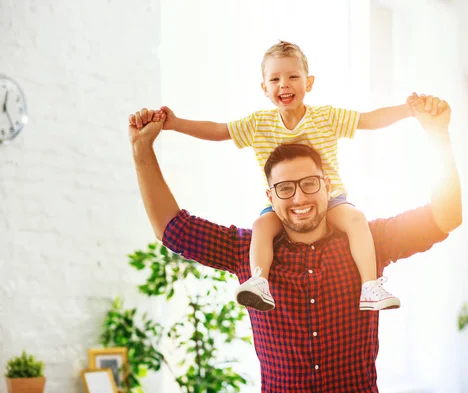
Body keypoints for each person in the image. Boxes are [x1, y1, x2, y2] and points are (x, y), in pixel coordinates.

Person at [128, 93, 462, 393]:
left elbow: (445, 217)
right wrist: (142, 150)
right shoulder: (246, 249)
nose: (299, 197)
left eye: (309, 184)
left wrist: (438, 136)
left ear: (327, 185)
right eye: (285, 188)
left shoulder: (369, 240)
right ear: (269, 196)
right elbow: (172, 228)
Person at [140, 40, 419, 312]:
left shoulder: (327, 117)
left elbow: (368, 120)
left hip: (330, 200)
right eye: (274, 79)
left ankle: (369, 286)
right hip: (281, 205)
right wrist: (175, 124)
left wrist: (408, 110)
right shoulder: (258, 123)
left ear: (309, 83)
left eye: (293, 76)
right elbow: (219, 131)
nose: (284, 84)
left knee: (356, 220)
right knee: (261, 226)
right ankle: (259, 280)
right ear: (264, 88)